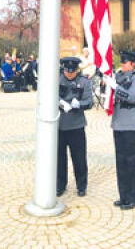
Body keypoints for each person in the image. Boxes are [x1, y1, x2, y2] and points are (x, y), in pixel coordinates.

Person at [103, 50, 135, 210]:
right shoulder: (118, 77)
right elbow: (109, 94)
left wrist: (116, 87)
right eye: (121, 62)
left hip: (133, 124)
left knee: (132, 162)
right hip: (119, 123)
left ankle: (133, 198)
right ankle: (123, 196)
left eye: (125, 62)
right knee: (121, 161)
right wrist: (107, 84)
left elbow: (133, 96)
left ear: (133, 64)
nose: (122, 65)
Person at [57, 57, 93, 198]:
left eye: (72, 71)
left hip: (76, 125)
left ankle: (81, 186)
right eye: (67, 70)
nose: (69, 73)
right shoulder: (58, 79)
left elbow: (89, 101)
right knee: (59, 159)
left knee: (79, 158)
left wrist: (79, 104)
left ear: (77, 70)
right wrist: (60, 103)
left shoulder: (84, 82)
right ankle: (60, 185)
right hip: (59, 125)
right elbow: (49, 95)